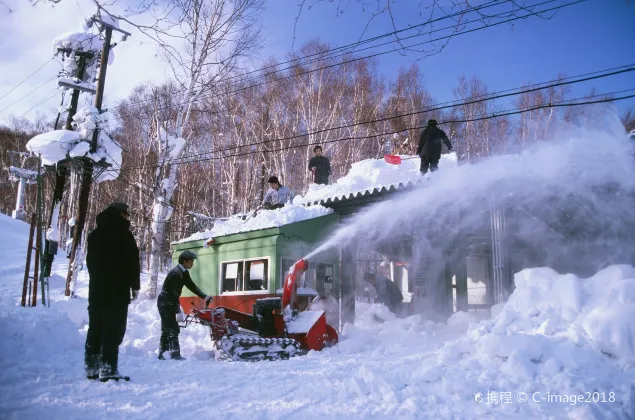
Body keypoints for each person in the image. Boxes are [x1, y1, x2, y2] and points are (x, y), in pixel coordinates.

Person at [85, 202, 140, 381]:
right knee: (112, 330)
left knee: (95, 328)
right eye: (127, 215)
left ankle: (91, 367)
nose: (128, 218)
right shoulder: (124, 235)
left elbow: (90, 263)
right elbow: (132, 263)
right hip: (116, 292)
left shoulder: (94, 235)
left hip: (96, 291)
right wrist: (135, 286)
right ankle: (108, 369)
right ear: (120, 215)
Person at [157, 250, 212, 360]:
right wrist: (177, 310)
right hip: (166, 301)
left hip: (169, 301)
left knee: (167, 328)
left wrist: (205, 297)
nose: (193, 263)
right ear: (185, 261)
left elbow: (192, 286)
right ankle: (174, 354)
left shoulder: (184, 272)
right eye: (191, 261)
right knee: (172, 328)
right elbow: (174, 294)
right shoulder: (176, 273)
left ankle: (163, 353)